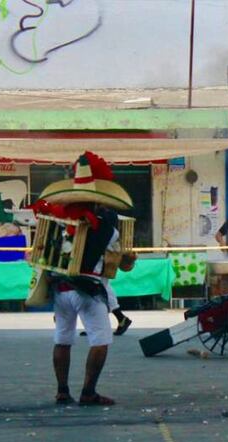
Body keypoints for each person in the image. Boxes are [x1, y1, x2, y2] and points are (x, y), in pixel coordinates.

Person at [37, 151, 136, 406]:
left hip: (60, 289)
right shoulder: (106, 227)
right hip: (89, 290)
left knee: (62, 338)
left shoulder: (58, 218)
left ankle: (62, 390)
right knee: (101, 340)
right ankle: (89, 391)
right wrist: (129, 258)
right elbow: (120, 262)